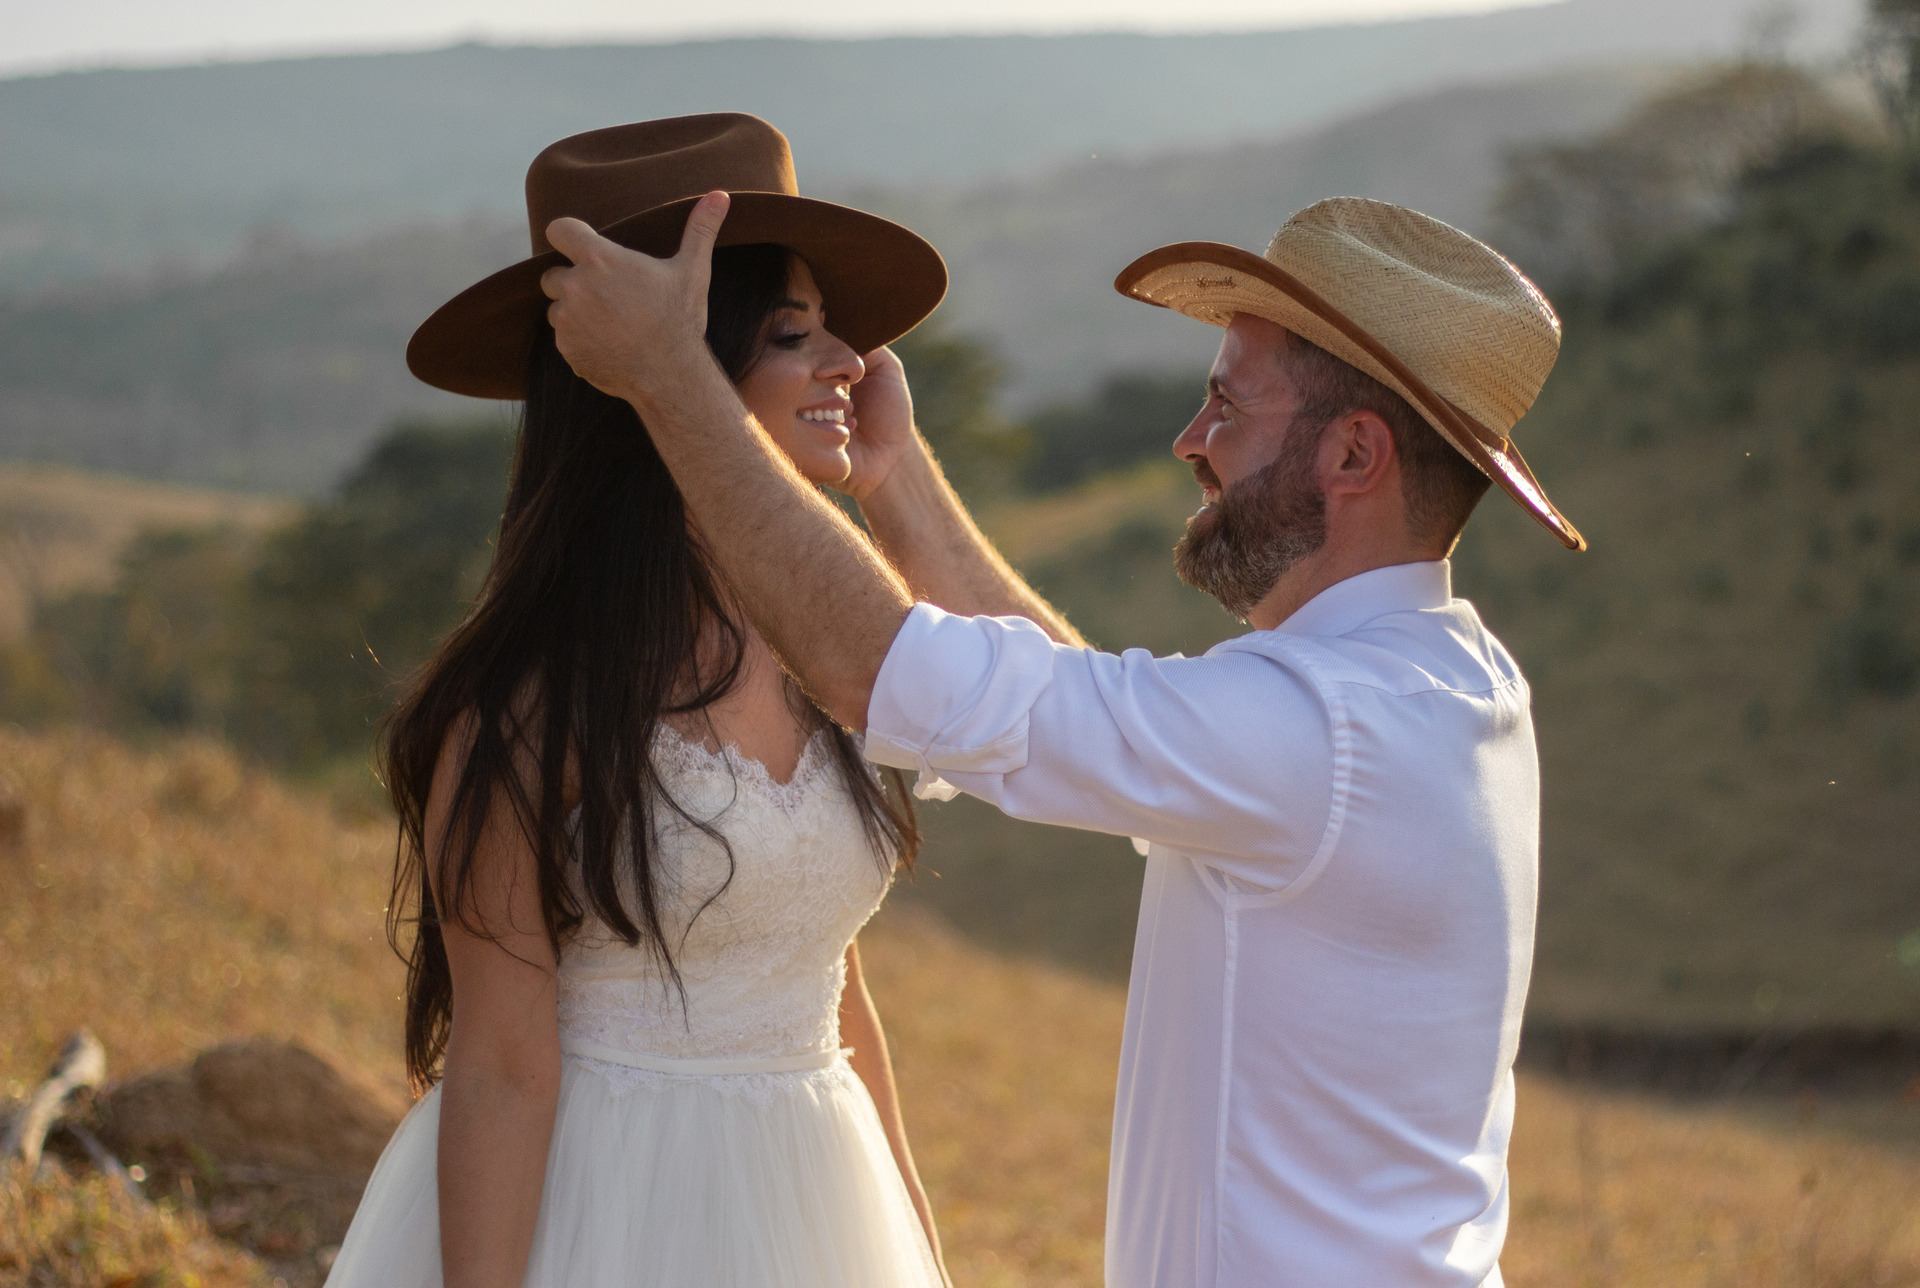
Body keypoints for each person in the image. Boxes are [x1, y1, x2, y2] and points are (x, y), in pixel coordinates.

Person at [539, 190, 1589, 1287]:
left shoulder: (1318, 729)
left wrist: (671, 375)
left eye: (1227, 405)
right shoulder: (1456, 682)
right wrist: (895, 480)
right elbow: (1067, 700)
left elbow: (873, 670)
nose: (1191, 441)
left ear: (1355, 454)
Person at [324, 115, 957, 1288]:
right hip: (606, 1213)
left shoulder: (828, 663)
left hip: (821, 1212)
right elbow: (501, 1067)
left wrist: (918, 1242)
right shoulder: (527, 709)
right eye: (792, 333)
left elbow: (833, 984)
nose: (852, 364)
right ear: (666, 370)